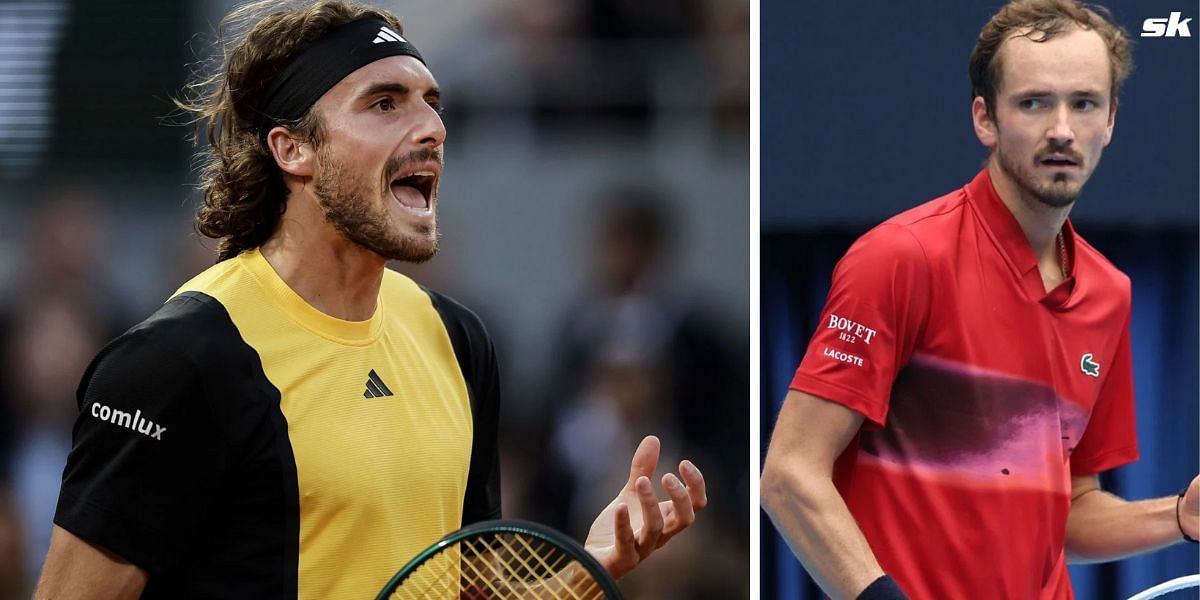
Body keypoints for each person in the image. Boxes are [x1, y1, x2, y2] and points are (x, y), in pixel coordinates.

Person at [33, 1, 706, 598]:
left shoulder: (456, 337)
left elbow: (462, 589)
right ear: (292, 148)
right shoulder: (178, 361)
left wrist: (590, 568)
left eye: (431, 102)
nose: (432, 128)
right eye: (385, 103)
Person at [760, 1, 1198, 598]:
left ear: (1111, 121)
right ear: (984, 119)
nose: (1062, 129)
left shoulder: (1109, 294)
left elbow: (1067, 513)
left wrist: (1179, 517)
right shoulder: (898, 259)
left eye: (1084, 103)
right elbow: (790, 475)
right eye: (1034, 102)